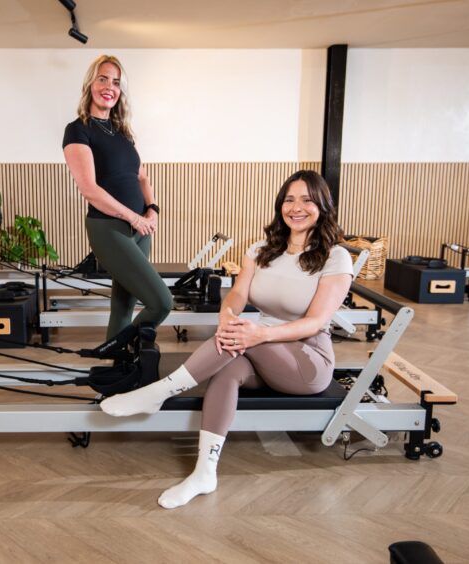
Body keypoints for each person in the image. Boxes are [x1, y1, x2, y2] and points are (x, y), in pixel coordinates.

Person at [100, 170, 354, 509]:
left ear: (322, 205)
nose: (297, 207)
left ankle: (159, 392)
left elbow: (315, 322)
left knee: (242, 340)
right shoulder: (262, 250)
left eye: (307, 200)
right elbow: (236, 294)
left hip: (306, 361)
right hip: (259, 347)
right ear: (280, 205)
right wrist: (228, 318)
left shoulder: (336, 257)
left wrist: (258, 333)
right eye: (290, 199)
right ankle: (205, 472)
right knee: (227, 371)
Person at [62, 55, 172, 341]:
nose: (109, 87)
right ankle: (113, 352)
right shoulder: (77, 130)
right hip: (109, 228)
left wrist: (153, 210)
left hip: (141, 230)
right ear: (90, 84)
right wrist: (134, 217)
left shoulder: (123, 133)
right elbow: (89, 189)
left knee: (124, 306)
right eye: (103, 78)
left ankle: (118, 371)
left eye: (116, 82)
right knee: (161, 302)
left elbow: (142, 178)